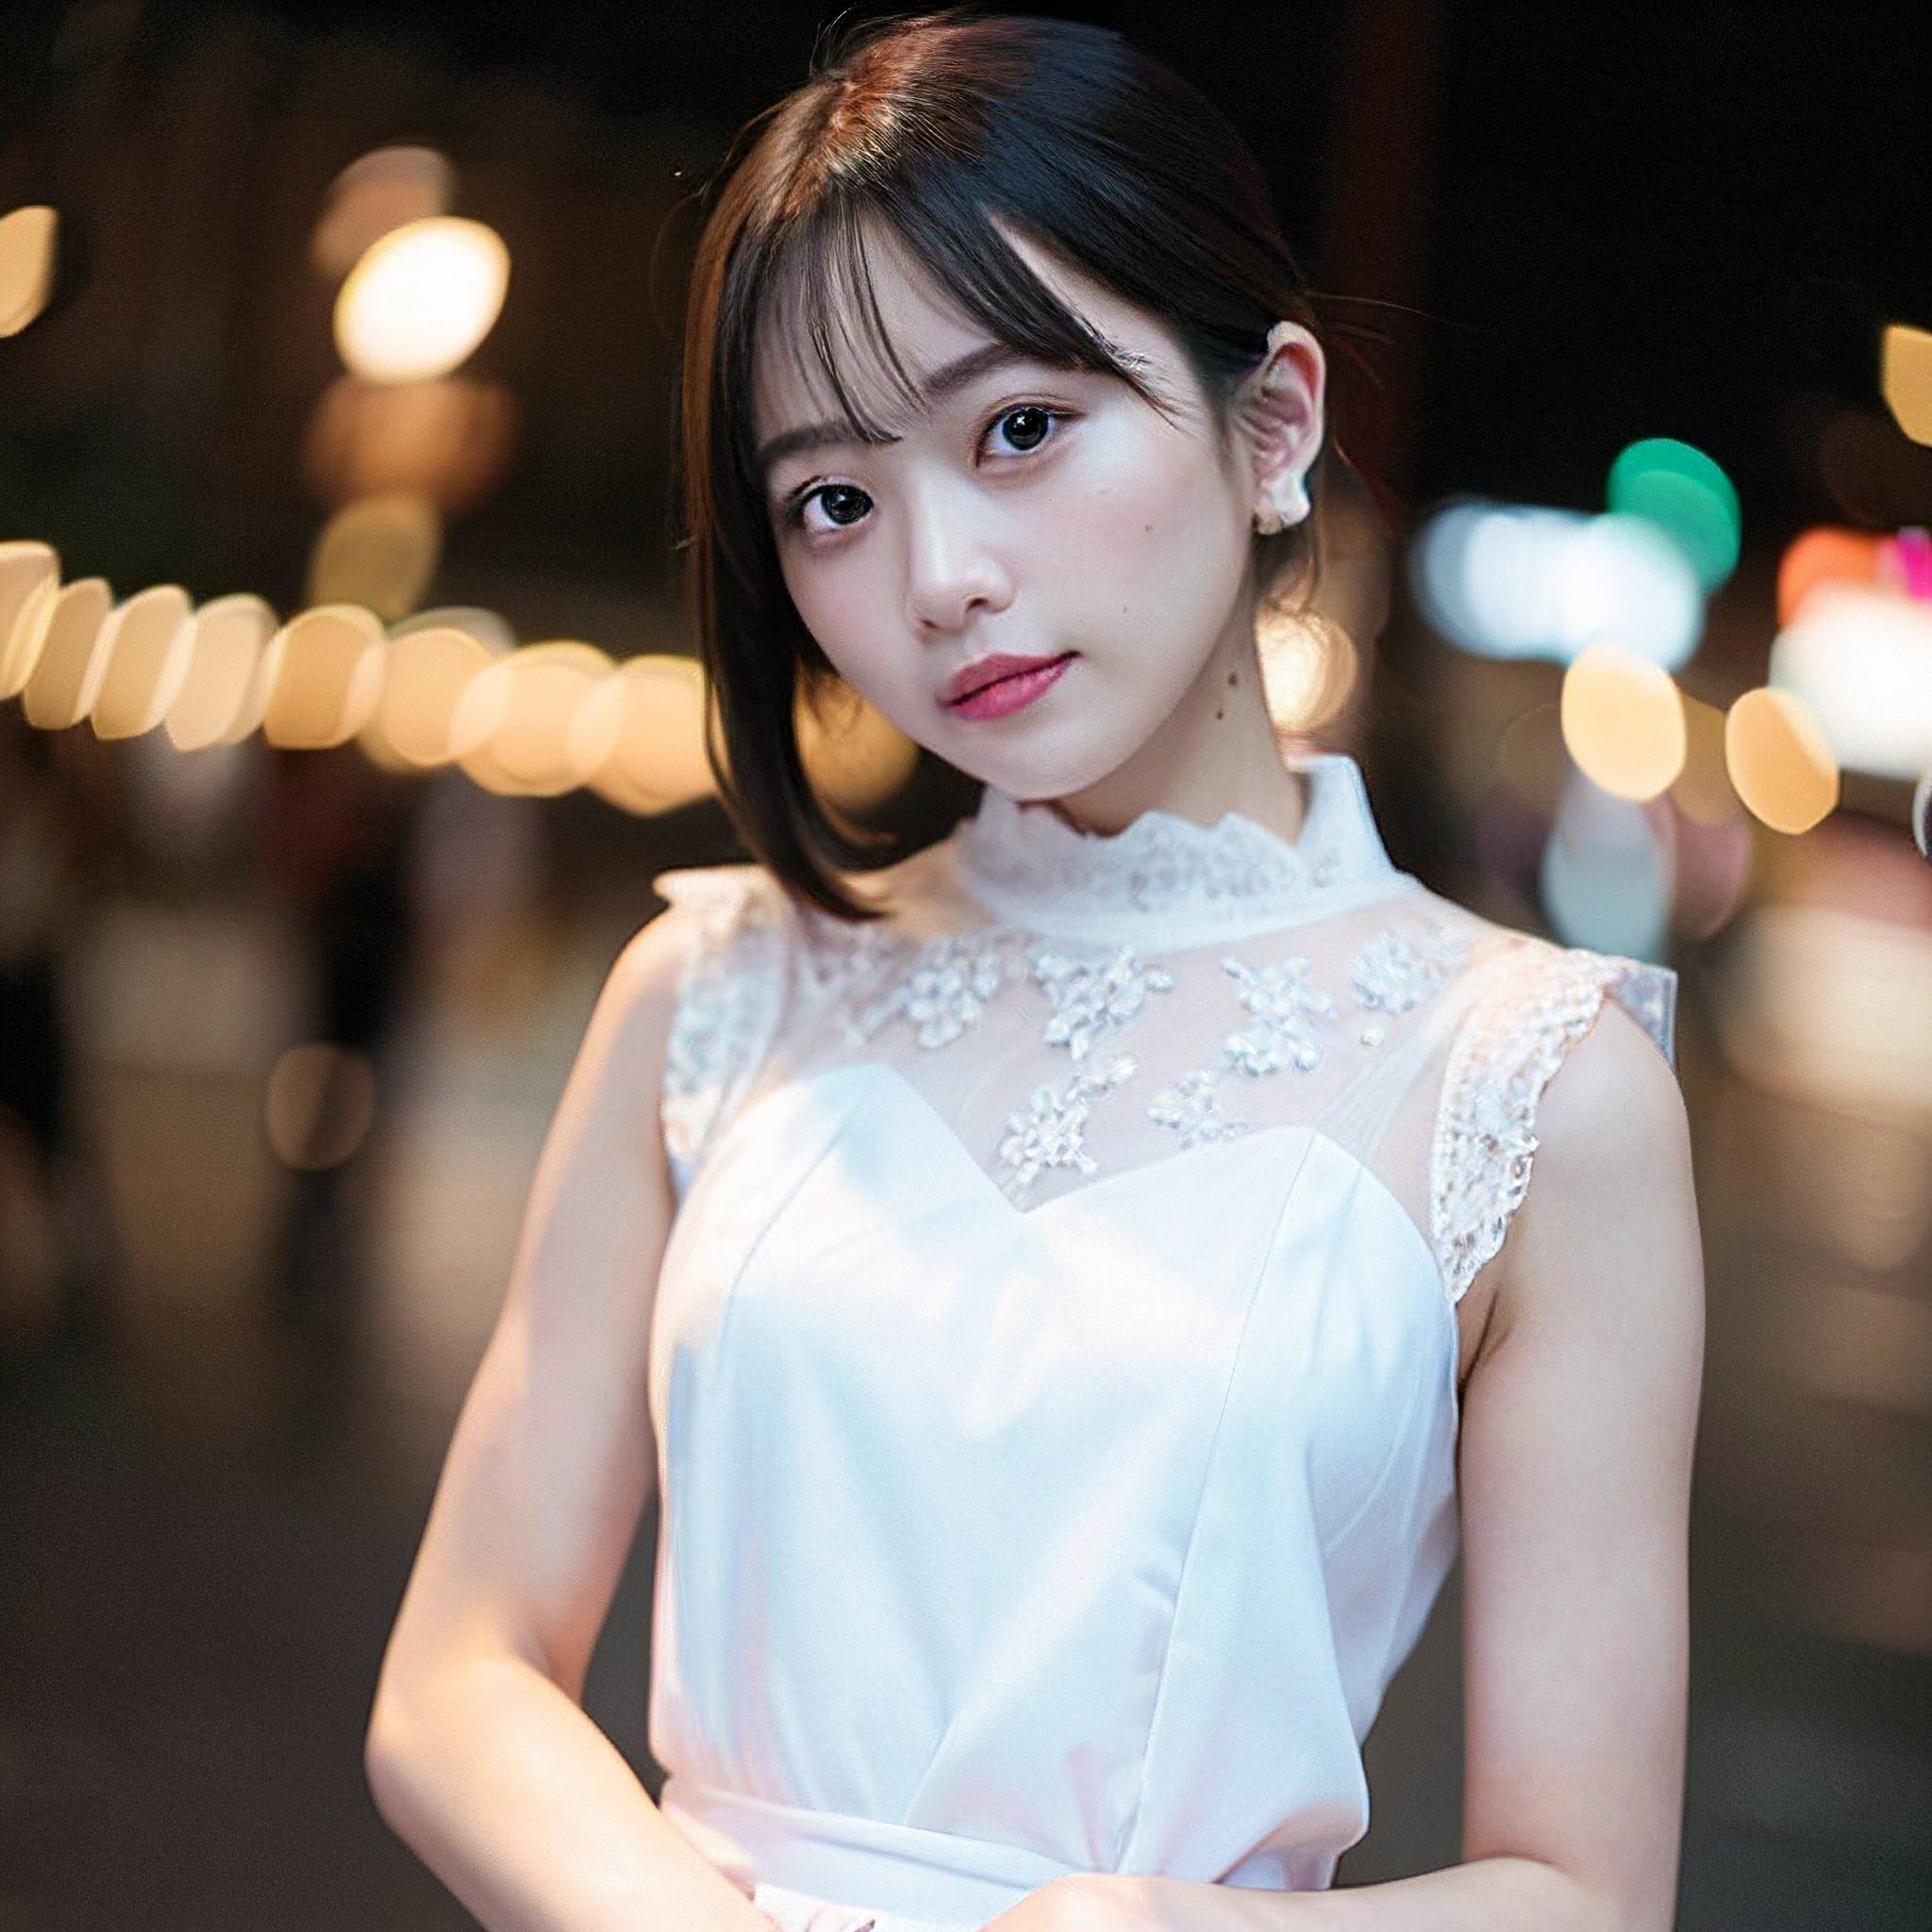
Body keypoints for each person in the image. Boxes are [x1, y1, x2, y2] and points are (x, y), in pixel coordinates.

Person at [364, 12, 1705, 1932]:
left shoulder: (1538, 1083)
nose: (937, 574)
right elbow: (455, 1679)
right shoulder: (719, 985)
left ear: (1273, 422)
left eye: (1018, 429)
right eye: (834, 497)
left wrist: (1161, 1931)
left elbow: (1583, 1891)